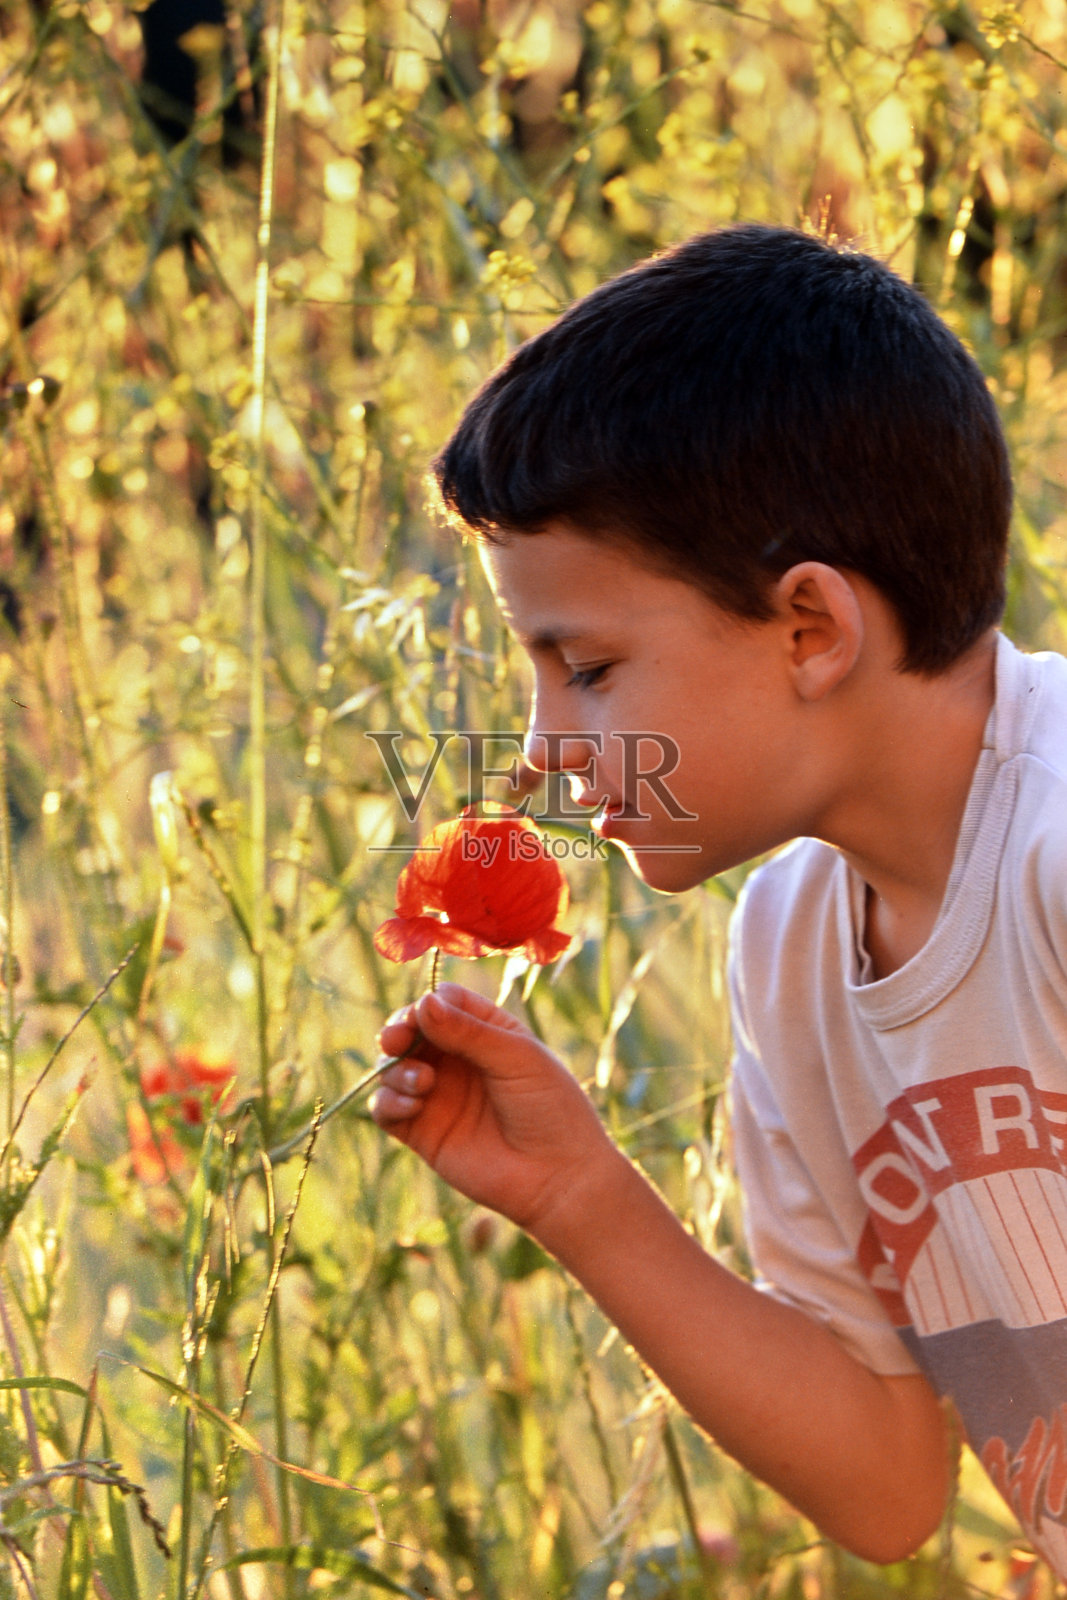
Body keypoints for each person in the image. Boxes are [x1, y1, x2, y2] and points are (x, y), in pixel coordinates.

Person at [371, 224, 1067, 1572]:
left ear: (811, 628)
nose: (542, 748)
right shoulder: (792, 947)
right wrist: (580, 1194)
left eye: (589, 665)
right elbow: (883, 1487)